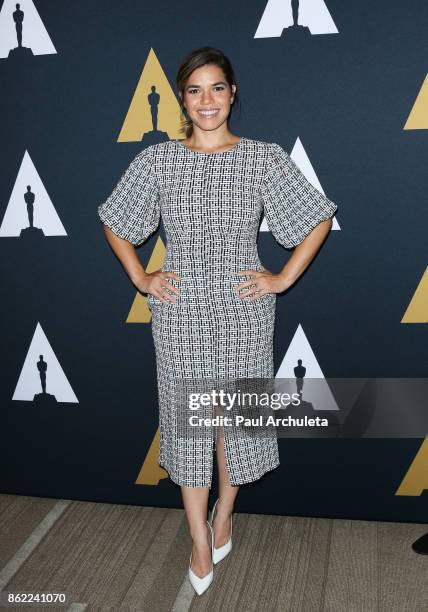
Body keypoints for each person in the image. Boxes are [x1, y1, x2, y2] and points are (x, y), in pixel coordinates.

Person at [97, 46, 338, 595]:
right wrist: (142, 276)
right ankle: (199, 541)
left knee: (233, 422)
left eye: (217, 88)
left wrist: (281, 278)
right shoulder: (158, 161)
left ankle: (225, 512)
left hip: (244, 311)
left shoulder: (262, 158)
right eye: (195, 90)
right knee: (190, 426)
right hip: (180, 315)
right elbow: (115, 219)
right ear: (182, 98)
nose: (207, 100)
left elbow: (316, 218)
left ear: (233, 93)